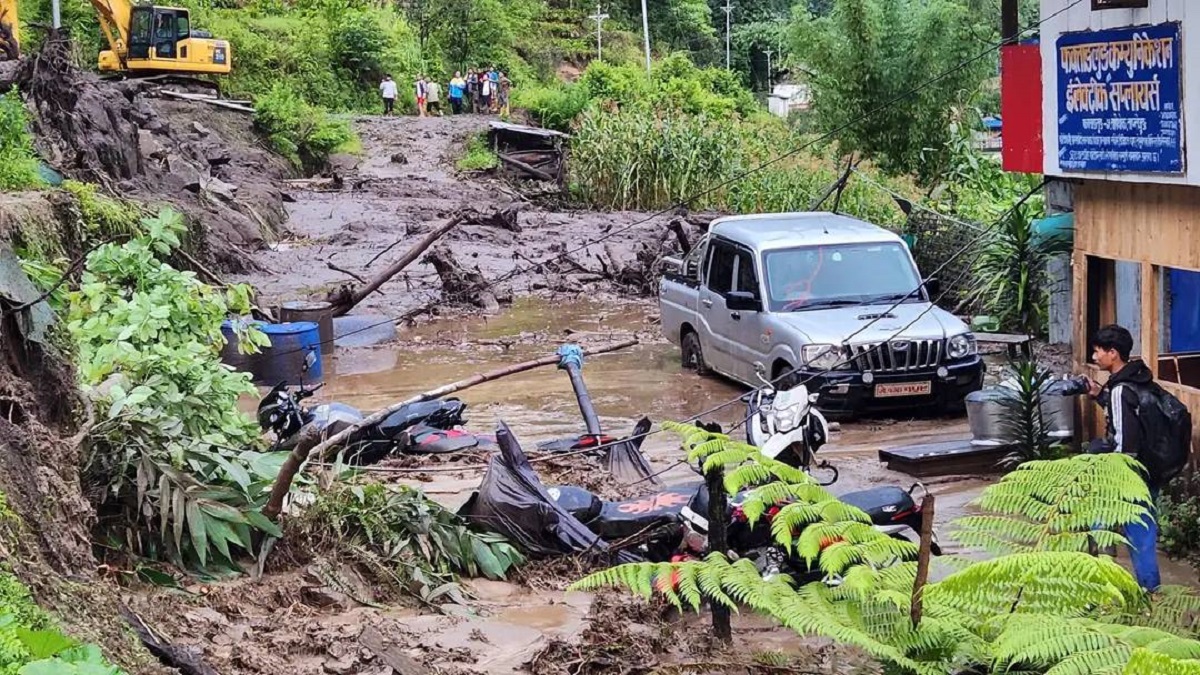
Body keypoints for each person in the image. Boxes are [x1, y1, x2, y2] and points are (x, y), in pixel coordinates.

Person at [1085, 324, 1161, 591]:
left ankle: (1100, 586)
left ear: (1113, 353)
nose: (1095, 358)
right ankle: (1151, 591)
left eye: (1097, 352)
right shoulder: (1140, 380)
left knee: (1100, 524)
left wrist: (1110, 473)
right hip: (1149, 468)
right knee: (1143, 532)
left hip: (1126, 473)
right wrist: (1099, 396)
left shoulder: (1119, 390)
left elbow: (1125, 443)